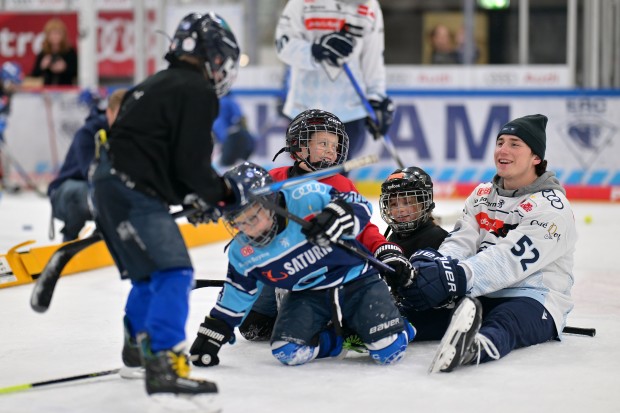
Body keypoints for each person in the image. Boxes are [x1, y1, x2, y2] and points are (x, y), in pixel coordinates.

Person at [89, 12, 243, 397]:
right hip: (133, 192)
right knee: (174, 273)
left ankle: (135, 348)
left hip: (109, 186)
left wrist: (190, 195)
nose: (222, 66)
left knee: (150, 276)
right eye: (221, 57)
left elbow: (160, 159)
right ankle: (164, 363)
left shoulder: (157, 83)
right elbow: (191, 164)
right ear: (209, 53)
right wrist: (220, 191)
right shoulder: (196, 90)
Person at [396, 114, 576, 373]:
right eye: (500, 142)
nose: (503, 150)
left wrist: (456, 275)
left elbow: (509, 260)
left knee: (506, 321)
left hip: (533, 297)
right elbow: (462, 240)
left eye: (515, 144)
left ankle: (474, 347)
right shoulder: (481, 195)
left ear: (536, 157)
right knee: (421, 312)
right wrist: (440, 264)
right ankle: (386, 330)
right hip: (480, 289)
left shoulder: (552, 208)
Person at [189, 162, 415, 368]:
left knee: (388, 352)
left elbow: (360, 205)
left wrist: (336, 216)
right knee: (286, 351)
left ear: (270, 201)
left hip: (356, 280)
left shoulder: (305, 196)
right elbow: (236, 293)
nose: (250, 229)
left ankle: (399, 326)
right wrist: (213, 332)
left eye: (254, 217)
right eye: (240, 223)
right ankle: (340, 339)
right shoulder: (243, 253)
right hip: (308, 294)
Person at [240, 109, 413, 342]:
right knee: (252, 326)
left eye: (335, 145)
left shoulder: (341, 184)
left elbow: (363, 228)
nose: (331, 151)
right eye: (323, 143)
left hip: (323, 272)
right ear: (299, 146)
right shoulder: (273, 179)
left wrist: (385, 250)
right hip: (282, 268)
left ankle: (329, 320)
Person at [274, 0, 394, 161]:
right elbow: (283, 46)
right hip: (305, 109)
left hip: (350, 113)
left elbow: (373, 59)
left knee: (337, 179)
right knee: (309, 178)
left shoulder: (370, 6)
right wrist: (315, 50)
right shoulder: (302, 2)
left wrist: (377, 98)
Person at [47, 88, 127, 242]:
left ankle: (107, 236)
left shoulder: (129, 134)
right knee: (89, 192)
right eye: (121, 114)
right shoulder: (88, 133)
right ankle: (69, 239)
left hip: (101, 189)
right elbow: (91, 173)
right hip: (66, 191)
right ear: (109, 112)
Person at [30, 18, 78, 86]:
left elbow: (76, 72)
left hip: (65, 88)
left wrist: (65, 68)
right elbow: (34, 74)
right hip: (48, 89)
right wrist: (42, 66)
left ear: (63, 35)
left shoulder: (69, 52)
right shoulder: (44, 53)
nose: (55, 37)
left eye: (57, 33)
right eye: (52, 34)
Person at [212, 92, 255, 167]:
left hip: (228, 138)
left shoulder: (222, 101)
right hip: (232, 138)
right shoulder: (229, 101)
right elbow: (239, 118)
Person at [0, 61, 23, 190]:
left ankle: (6, 180)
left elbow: (4, 113)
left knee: (5, 153)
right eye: (13, 83)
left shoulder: (7, 94)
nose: (15, 86)